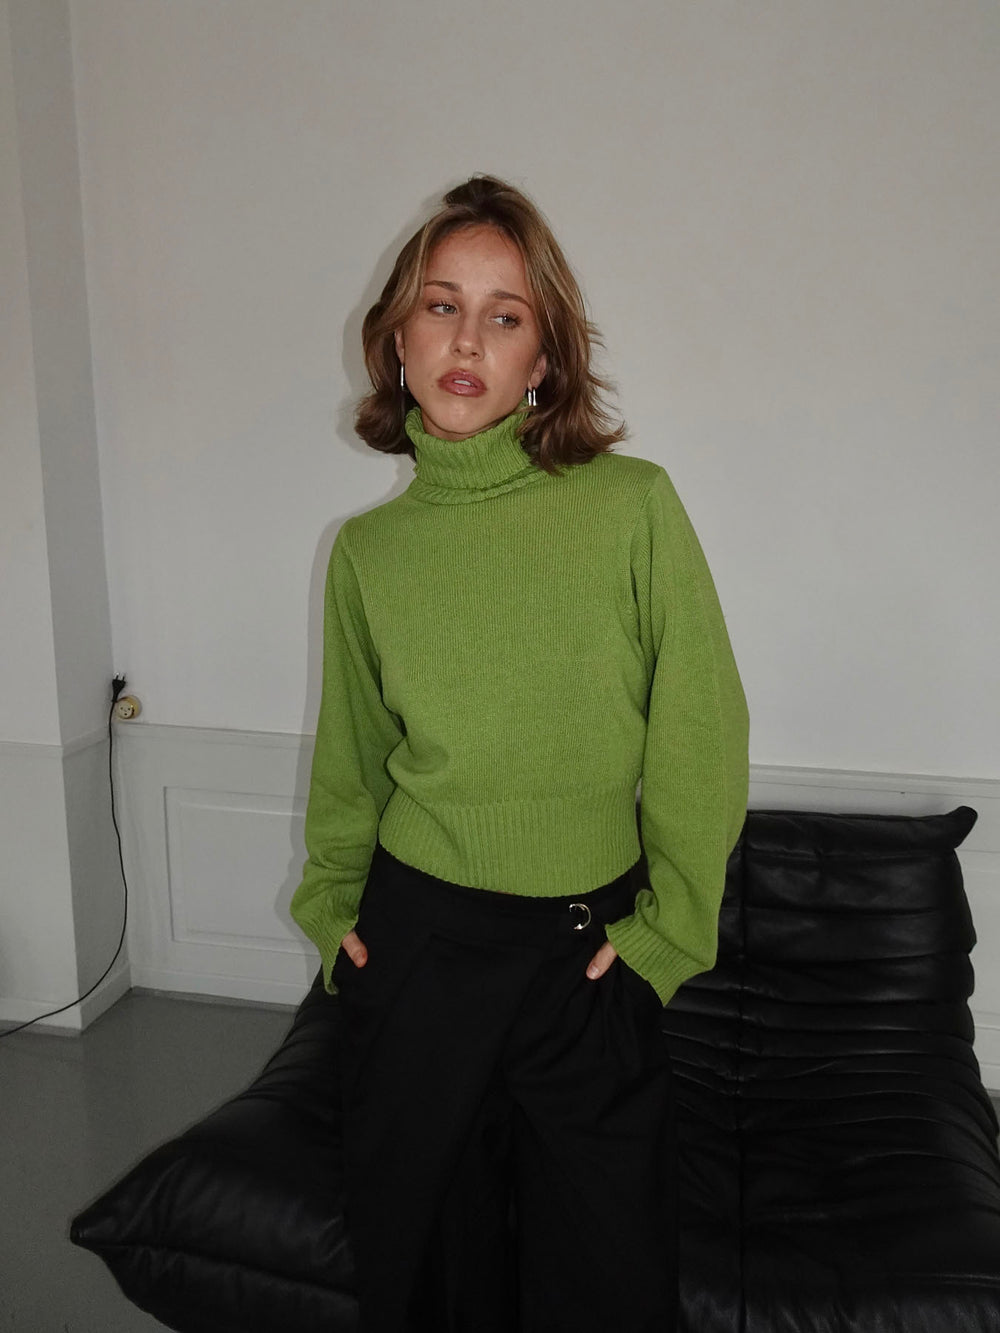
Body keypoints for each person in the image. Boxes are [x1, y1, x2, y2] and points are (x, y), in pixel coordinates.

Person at [290, 174, 749, 1333]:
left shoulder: (631, 506)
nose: (466, 340)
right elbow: (354, 754)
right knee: (430, 1280)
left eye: (504, 316)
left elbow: (700, 729)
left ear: (543, 359)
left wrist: (667, 934)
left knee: (608, 1282)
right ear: (396, 339)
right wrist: (334, 906)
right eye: (440, 306)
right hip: (417, 947)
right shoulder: (368, 552)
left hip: (586, 957)